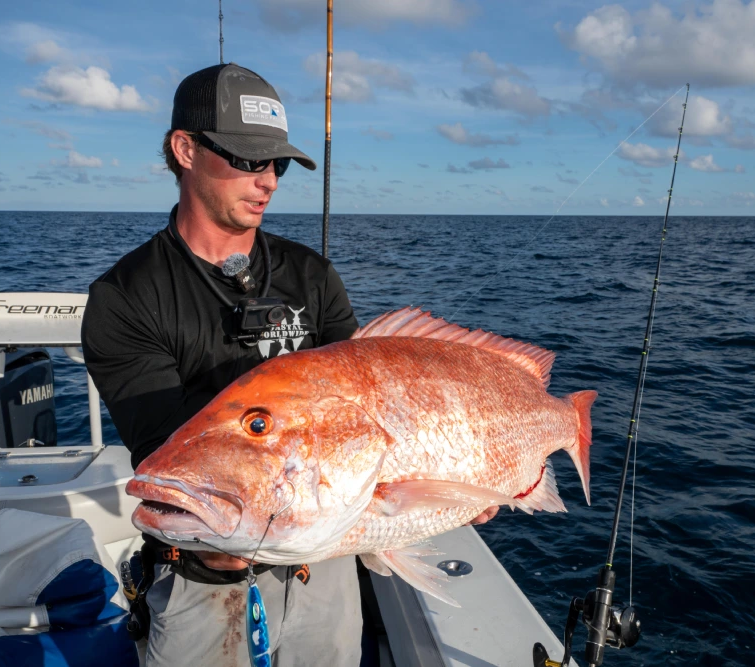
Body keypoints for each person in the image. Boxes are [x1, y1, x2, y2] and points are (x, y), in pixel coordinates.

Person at [82, 63, 497, 667]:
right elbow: (168, 456)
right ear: (186, 149)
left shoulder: (312, 276)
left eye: (277, 164)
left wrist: (462, 478)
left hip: (322, 567)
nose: (269, 180)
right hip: (204, 578)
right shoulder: (127, 297)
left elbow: (377, 407)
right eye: (250, 160)